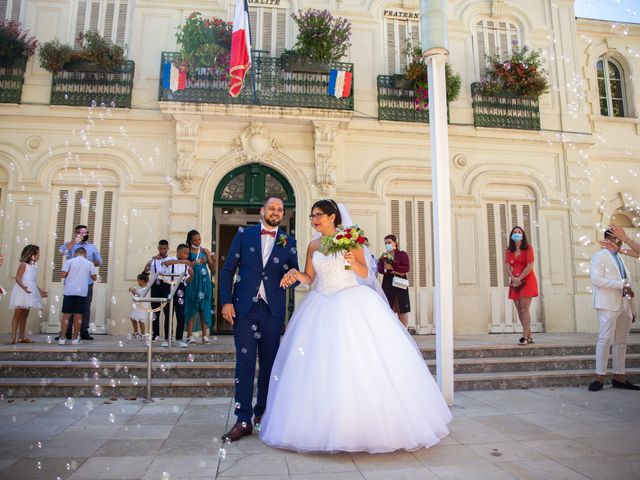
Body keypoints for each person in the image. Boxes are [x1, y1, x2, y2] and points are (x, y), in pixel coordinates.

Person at [259, 200, 451, 453]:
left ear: (332, 217)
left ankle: (364, 428)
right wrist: (296, 274)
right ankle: (319, 426)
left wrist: (353, 259)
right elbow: (309, 278)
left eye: (319, 215)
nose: (314, 219)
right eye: (312, 215)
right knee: (319, 367)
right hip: (320, 304)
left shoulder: (351, 239)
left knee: (357, 363)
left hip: (351, 302)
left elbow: (365, 273)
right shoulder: (313, 245)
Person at [219, 196, 299, 442]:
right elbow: (227, 270)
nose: (276, 212)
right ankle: (242, 419)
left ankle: (262, 414)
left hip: (272, 311)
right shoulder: (245, 234)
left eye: (280, 210)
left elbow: (295, 272)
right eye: (272, 208)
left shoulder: (289, 241)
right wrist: (226, 301)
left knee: (269, 365)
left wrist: (292, 277)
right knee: (244, 364)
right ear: (263, 211)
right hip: (244, 310)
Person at [588, 229, 639, 392]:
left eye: (619, 239)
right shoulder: (599, 256)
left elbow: (626, 282)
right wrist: (620, 284)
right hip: (607, 304)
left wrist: (632, 307)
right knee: (605, 339)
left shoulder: (620, 258)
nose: (618, 242)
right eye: (614, 239)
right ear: (606, 239)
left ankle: (619, 377)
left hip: (624, 304)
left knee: (621, 342)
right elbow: (596, 279)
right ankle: (599, 377)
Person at [57, 225, 102, 340]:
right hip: (71, 283)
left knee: (85, 308)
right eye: (81, 232)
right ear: (76, 233)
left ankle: (83, 332)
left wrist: (88, 262)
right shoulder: (69, 244)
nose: (83, 234)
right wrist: (75, 240)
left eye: (85, 232)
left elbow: (99, 262)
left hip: (86, 283)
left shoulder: (92, 247)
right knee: (68, 309)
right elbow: (62, 252)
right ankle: (66, 332)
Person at [505, 226, 539, 345]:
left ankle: (524, 337)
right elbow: (508, 267)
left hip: (527, 280)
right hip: (515, 282)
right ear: (511, 236)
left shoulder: (528, 248)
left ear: (523, 235)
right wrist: (513, 278)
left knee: (525, 309)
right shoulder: (509, 250)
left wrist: (519, 278)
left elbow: (530, 266)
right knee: (519, 309)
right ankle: (529, 335)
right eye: (515, 232)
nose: (517, 233)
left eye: (519, 232)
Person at [8, 245, 47, 344]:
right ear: (31, 255)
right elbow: (18, 278)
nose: (39, 256)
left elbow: (33, 282)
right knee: (18, 313)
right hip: (22, 291)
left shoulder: (33, 267)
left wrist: (40, 291)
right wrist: (23, 287)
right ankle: (13, 337)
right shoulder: (23, 265)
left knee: (25, 314)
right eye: (38, 253)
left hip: (29, 291)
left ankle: (22, 336)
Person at [58, 248, 97, 345]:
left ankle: (62, 338)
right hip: (82, 292)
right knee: (78, 316)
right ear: (85, 254)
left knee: (66, 315)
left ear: (75, 254)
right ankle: (75, 338)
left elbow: (62, 274)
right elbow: (94, 277)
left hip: (69, 291)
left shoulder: (69, 261)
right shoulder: (89, 263)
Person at [184, 230, 216, 344]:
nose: (198, 242)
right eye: (195, 240)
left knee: (204, 308)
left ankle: (204, 335)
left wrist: (212, 258)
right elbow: (186, 265)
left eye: (199, 239)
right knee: (192, 307)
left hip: (204, 282)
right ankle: (190, 335)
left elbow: (213, 269)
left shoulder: (204, 250)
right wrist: (197, 261)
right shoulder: (187, 251)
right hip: (193, 281)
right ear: (190, 240)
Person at [163, 244, 194, 348]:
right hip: (168, 286)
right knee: (168, 314)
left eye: (188, 253)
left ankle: (179, 338)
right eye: (185, 253)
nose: (186, 255)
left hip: (181, 287)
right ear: (178, 252)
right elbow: (166, 263)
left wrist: (191, 274)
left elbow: (188, 280)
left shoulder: (186, 264)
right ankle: (168, 338)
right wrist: (181, 261)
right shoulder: (171, 258)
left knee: (180, 314)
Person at [377, 234, 411, 328]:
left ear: (395, 243)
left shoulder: (402, 254)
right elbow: (380, 269)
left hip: (400, 283)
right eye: (385, 243)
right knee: (388, 307)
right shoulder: (384, 256)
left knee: (402, 308)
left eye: (389, 242)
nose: (387, 244)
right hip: (388, 283)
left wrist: (393, 267)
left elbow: (406, 268)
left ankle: (404, 331)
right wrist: (386, 268)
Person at [143, 240, 172, 344]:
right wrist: (152, 260)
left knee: (168, 311)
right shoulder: (154, 260)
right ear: (158, 249)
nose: (163, 250)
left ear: (168, 248)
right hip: (155, 284)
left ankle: (168, 335)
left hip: (166, 284)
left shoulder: (171, 259)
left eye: (165, 248)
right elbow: (145, 270)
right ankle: (155, 334)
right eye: (161, 248)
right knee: (155, 310)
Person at [128, 273, 151, 340]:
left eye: (138, 280)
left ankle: (143, 333)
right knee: (133, 318)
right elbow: (136, 295)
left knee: (141, 320)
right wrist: (133, 291)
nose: (137, 282)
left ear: (142, 281)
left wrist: (133, 291)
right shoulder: (141, 289)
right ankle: (136, 331)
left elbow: (139, 296)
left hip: (142, 307)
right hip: (138, 307)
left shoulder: (145, 289)